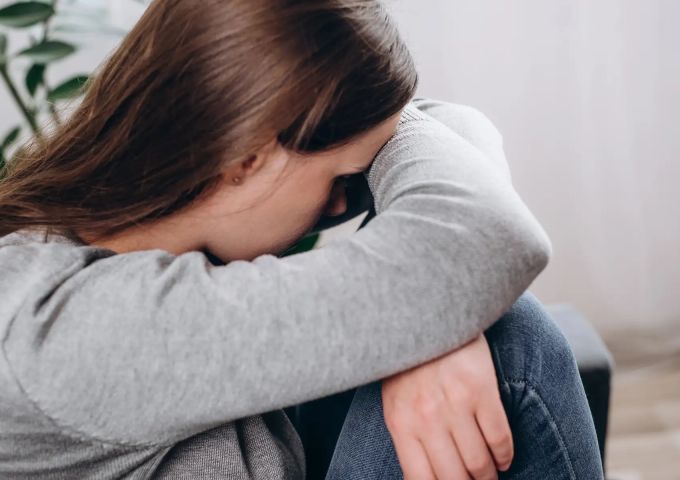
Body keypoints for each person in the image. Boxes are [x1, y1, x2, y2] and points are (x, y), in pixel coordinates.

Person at [0, 0, 603, 479]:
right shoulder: (73, 334)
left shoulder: (111, 223)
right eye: (340, 177)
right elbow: (491, 232)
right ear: (245, 159)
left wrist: (432, 327)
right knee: (512, 344)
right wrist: (435, 312)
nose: (341, 204)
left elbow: (453, 127)